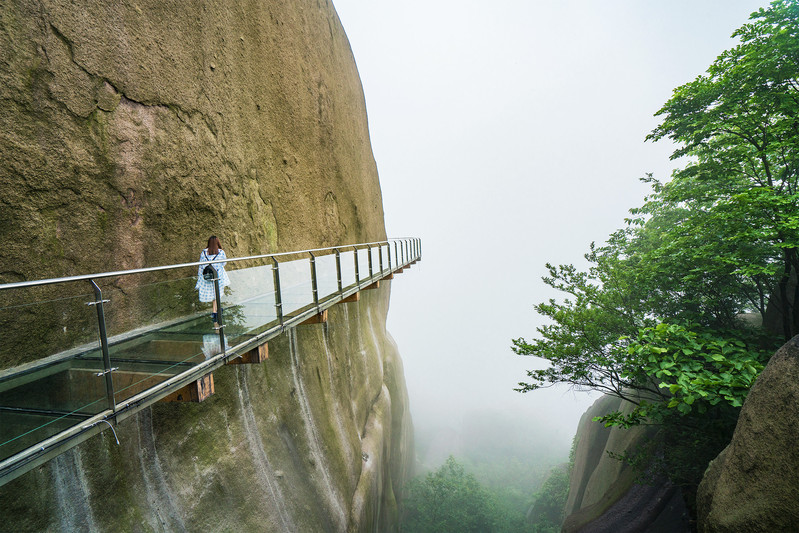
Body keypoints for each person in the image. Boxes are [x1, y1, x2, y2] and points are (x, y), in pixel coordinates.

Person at [195, 235, 230, 323]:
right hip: (218, 276)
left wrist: (200, 277)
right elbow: (224, 263)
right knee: (217, 293)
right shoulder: (221, 252)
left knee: (213, 294)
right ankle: (215, 311)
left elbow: (201, 265)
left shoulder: (203, 252)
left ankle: (215, 310)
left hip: (207, 277)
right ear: (218, 243)